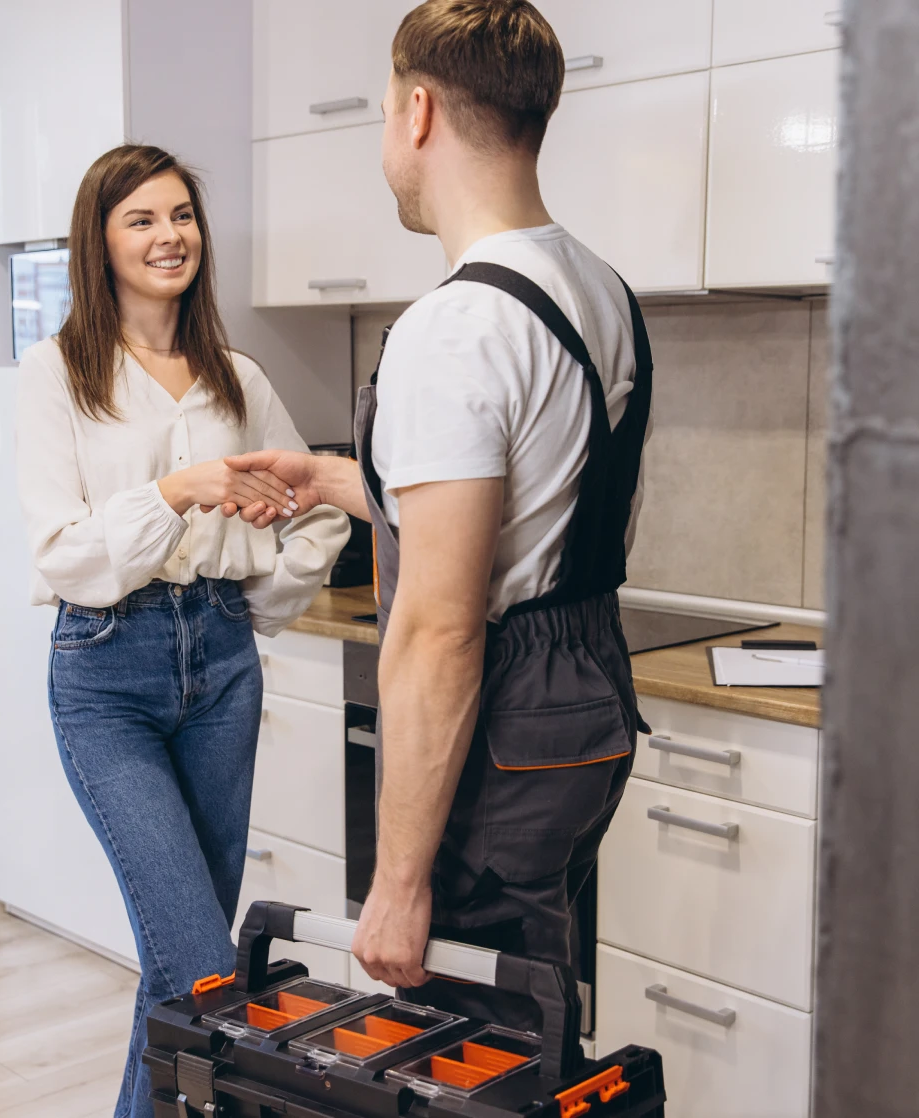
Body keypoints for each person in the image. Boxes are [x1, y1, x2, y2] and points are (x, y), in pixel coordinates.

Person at [227, 0, 652, 1040]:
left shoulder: (454, 327)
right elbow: (533, 508)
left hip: (501, 711)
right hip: (584, 696)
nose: (383, 143)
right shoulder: (599, 287)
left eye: (379, 114)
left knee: (469, 1043)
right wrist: (331, 477)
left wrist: (399, 878)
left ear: (417, 112)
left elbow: (442, 619)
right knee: (531, 1011)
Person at [15, 144, 349, 1118]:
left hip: (222, 663)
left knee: (181, 964)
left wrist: (262, 594)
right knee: (203, 963)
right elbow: (63, 553)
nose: (170, 236)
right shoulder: (60, 371)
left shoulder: (235, 375)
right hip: (105, 672)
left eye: (181, 216)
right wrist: (173, 489)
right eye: (142, 219)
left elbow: (317, 499)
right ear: (102, 240)